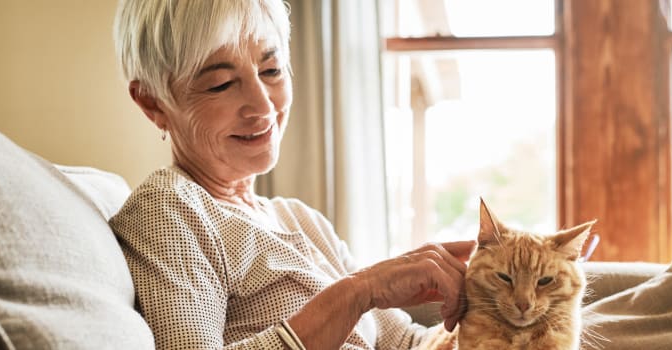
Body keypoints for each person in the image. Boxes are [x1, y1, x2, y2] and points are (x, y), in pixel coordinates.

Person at [109, 1, 475, 348]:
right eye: (221, 83)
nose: (263, 106)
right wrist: (357, 292)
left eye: (271, 70)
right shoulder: (167, 209)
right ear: (152, 102)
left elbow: (406, 343)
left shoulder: (301, 220)